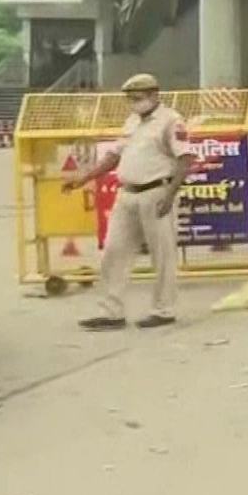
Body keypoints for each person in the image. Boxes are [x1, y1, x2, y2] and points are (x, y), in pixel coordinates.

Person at [62, 73, 197, 331]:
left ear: (154, 96)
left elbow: (185, 159)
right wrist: (85, 178)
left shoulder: (171, 122)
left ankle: (163, 309)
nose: (134, 103)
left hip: (156, 192)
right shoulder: (132, 121)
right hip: (127, 194)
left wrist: (170, 195)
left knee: (163, 255)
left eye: (138, 98)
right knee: (114, 251)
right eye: (130, 99)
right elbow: (114, 155)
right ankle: (111, 312)